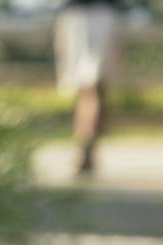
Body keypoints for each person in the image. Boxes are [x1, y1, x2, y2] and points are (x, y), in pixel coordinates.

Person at [56, 0, 127, 177]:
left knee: (90, 88)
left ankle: (86, 145)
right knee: (92, 88)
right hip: (90, 16)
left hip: (86, 16)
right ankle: (87, 146)